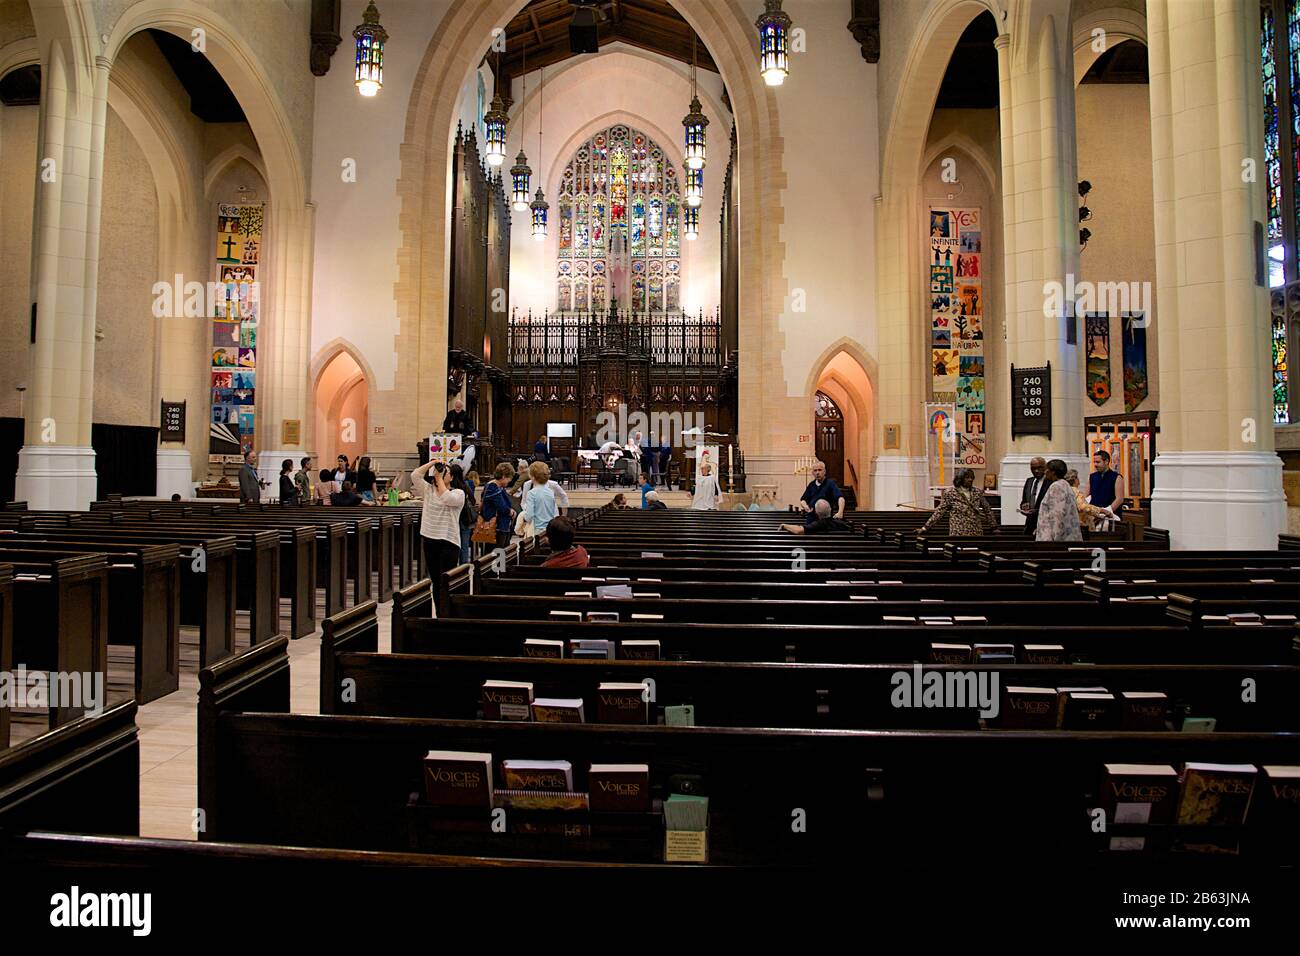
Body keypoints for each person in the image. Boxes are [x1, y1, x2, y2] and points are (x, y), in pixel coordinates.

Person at [412, 458, 466, 582]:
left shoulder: (459, 493)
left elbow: (447, 498)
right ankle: (437, 602)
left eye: (445, 473)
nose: (440, 474)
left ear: (451, 478)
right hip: (430, 539)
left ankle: (447, 602)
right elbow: (415, 475)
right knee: (435, 580)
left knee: (446, 580)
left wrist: (439, 479)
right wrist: (432, 463)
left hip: (449, 541)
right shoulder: (428, 490)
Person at [919, 468, 994, 536]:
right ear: (960, 479)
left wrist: (994, 526)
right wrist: (925, 527)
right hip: (958, 531)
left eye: (972, 477)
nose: (970, 479)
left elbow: (987, 510)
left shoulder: (977, 492)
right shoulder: (950, 493)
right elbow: (940, 511)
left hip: (975, 530)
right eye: (967, 477)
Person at [1034, 459, 1081, 542]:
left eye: (1047, 470)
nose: (1045, 472)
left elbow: (1057, 514)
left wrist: (1056, 540)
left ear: (1053, 472)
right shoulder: (1065, 484)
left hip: (1052, 539)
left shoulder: (1057, 487)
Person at [479, 462, 517, 550]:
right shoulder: (492, 487)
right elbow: (502, 507)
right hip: (496, 527)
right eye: (509, 478)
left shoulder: (498, 487)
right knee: (496, 555)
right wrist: (510, 512)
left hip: (501, 526)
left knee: (502, 555)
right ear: (503, 476)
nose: (510, 481)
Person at [1066, 469, 1114, 533]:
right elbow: (1083, 507)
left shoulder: (1065, 490)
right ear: (1075, 479)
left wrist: (1096, 515)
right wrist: (1101, 510)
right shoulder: (1076, 492)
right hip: (1082, 527)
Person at [521, 460, 559, 537]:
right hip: (549, 528)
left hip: (537, 530)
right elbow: (554, 511)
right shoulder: (550, 491)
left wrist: (523, 517)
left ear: (532, 477)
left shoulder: (531, 493)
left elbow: (529, 516)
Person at [450, 462, 476, 564]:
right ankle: (464, 566)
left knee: (454, 544)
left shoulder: (449, 486)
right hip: (465, 517)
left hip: (454, 518)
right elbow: (473, 500)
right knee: (464, 544)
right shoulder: (465, 485)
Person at [781, 498, 854, 534]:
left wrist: (784, 525)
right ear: (830, 509)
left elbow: (799, 530)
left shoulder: (817, 524)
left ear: (816, 512)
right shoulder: (843, 524)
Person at [1089, 449, 1126, 516]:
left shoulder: (1117, 477)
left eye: (1098, 462)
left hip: (1111, 515)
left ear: (1106, 461)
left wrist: (1106, 511)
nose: (1095, 464)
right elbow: (1086, 496)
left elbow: (1119, 499)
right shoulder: (1092, 477)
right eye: (1094, 462)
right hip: (1095, 515)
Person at [1019, 456, 1048, 536]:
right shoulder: (1029, 481)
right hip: (1029, 525)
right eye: (1033, 468)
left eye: (1039, 468)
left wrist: (1036, 511)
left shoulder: (1050, 482)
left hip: (1044, 524)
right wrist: (1023, 507)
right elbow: (1024, 502)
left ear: (1045, 467)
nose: (1036, 471)